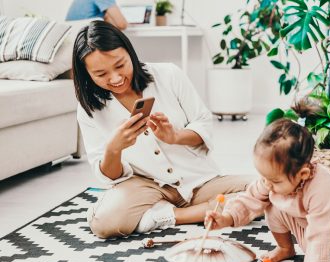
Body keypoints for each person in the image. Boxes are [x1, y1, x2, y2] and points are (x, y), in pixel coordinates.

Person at [72, 20, 251, 239]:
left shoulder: (168, 75)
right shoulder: (89, 109)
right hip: (145, 187)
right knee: (104, 223)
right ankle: (198, 212)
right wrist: (114, 149)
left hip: (199, 181)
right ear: (86, 74)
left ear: (130, 52)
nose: (116, 78)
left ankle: (161, 216)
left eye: (120, 65)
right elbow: (109, 175)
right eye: (101, 74)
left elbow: (203, 121)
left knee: (266, 190)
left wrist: (175, 136)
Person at [205, 101, 330, 262]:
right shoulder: (272, 180)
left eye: (274, 180)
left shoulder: (320, 186)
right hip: (303, 222)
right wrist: (226, 218)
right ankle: (286, 248)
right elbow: (250, 199)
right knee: (272, 206)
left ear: (303, 174)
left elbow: (319, 232)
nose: (267, 183)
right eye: (264, 177)